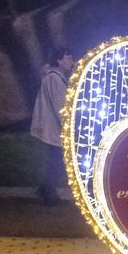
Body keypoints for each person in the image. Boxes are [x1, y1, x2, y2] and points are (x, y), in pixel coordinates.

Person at [29, 47, 75, 205]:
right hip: (53, 127)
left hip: (54, 126)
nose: (71, 62)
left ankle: (46, 189)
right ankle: (48, 191)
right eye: (67, 58)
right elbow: (59, 105)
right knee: (56, 159)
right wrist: (68, 126)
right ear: (59, 60)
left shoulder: (57, 77)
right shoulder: (54, 78)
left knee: (56, 159)